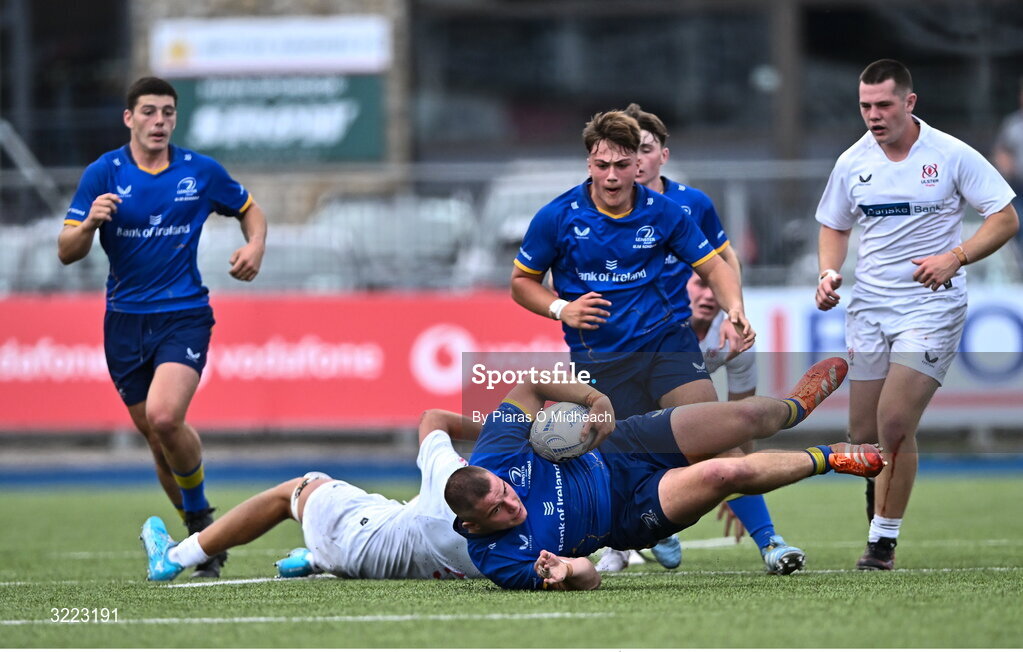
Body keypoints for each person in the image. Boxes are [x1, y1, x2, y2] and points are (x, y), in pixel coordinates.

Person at [509, 110, 764, 571]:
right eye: (601, 164)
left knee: (709, 433)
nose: (611, 175)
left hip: (665, 342)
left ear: (639, 165)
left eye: (622, 164)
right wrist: (561, 308)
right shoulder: (557, 217)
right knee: (622, 463)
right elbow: (521, 281)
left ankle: (771, 532)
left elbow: (714, 267)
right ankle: (643, 531)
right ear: (589, 162)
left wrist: (735, 307)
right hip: (600, 358)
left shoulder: (664, 213)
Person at [58, 76, 268, 578]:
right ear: (129, 118)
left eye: (168, 112)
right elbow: (66, 252)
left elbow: (249, 209)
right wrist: (88, 224)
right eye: (149, 111)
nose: (159, 121)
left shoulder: (200, 171)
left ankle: (199, 521)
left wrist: (255, 244)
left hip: (184, 315)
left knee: (165, 417)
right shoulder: (102, 174)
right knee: (156, 438)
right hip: (124, 325)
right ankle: (200, 534)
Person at [815, 59, 1018, 571]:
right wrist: (828, 272)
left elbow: (1005, 217)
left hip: (931, 306)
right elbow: (834, 225)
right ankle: (879, 505)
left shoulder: (950, 154)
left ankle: (881, 544)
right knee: (861, 436)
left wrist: (957, 256)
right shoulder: (852, 161)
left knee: (895, 421)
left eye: (884, 104)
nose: (874, 115)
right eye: (865, 106)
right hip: (868, 308)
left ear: (909, 102)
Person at [444, 357, 884, 591]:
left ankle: (793, 409)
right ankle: (832, 457)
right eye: (498, 510)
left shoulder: (494, 453)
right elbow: (591, 577)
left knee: (748, 416)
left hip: (622, 444)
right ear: (472, 526)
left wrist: (595, 400)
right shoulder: (500, 561)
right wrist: (567, 571)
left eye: (505, 491)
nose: (512, 502)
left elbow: (530, 385)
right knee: (723, 474)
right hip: (628, 513)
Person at [609, 103, 802, 572]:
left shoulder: (690, 205)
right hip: (629, 348)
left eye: (645, 149)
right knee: (619, 446)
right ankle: (625, 541)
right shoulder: (599, 208)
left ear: (660, 156)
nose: (635, 159)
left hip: (685, 344)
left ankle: (769, 540)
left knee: (721, 438)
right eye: (627, 150)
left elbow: (722, 260)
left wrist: (735, 310)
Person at [140, 410, 485, 582]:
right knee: (406, 517)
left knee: (296, 491)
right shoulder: (515, 552)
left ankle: (176, 557)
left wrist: (508, 429)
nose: (512, 499)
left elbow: (433, 418)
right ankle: (317, 559)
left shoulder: (448, 481)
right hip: (389, 544)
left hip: (361, 538)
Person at [993, 76, 1023, 248]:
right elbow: (1001, 149)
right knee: (1017, 228)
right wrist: (1005, 164)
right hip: (1019, 189)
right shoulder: (1013, 124)